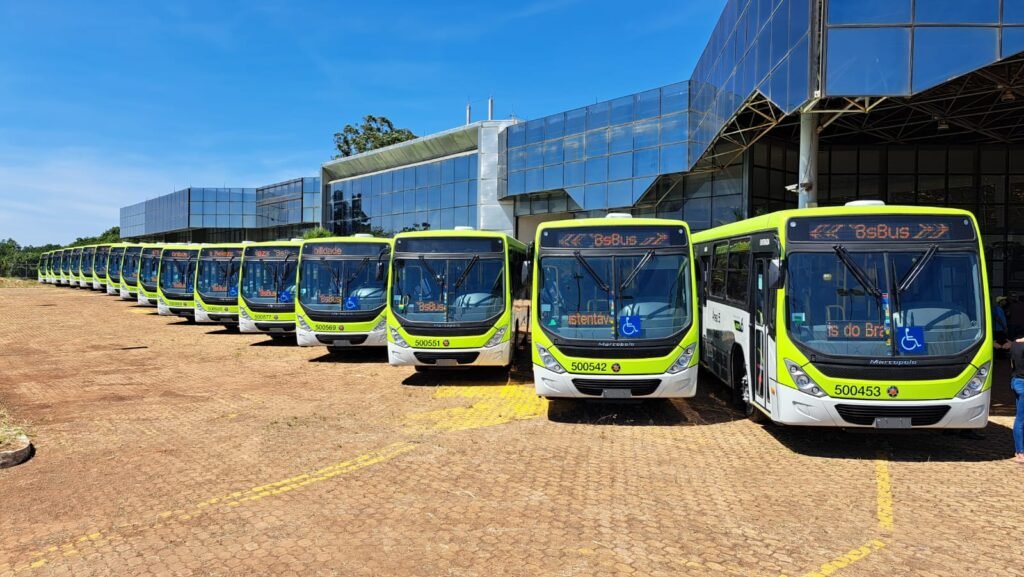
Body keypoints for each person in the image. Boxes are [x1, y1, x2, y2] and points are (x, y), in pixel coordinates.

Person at [1009, 339, 1024, 464]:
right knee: (1021, 419)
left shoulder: (1015, 345)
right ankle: (1020, 453)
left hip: (1016, 381)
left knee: (1020, 418)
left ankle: (1019, 451)